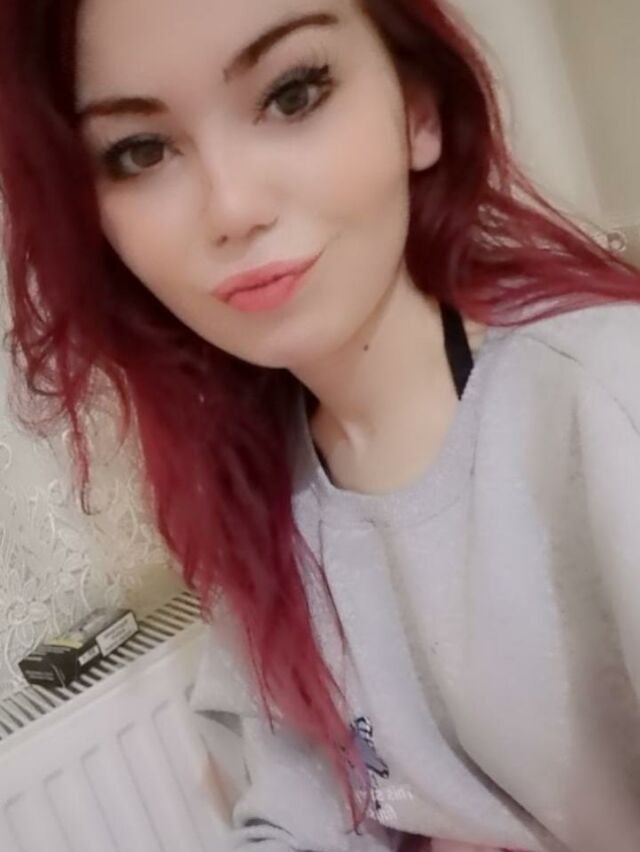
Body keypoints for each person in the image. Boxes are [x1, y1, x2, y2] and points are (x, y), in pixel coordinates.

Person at [1, 0, 640, 850]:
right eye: (141, 151)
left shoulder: (607, 400)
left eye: (293, 93)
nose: (232, 207)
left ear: (418, 112)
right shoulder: (256, 489)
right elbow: (301, 810)